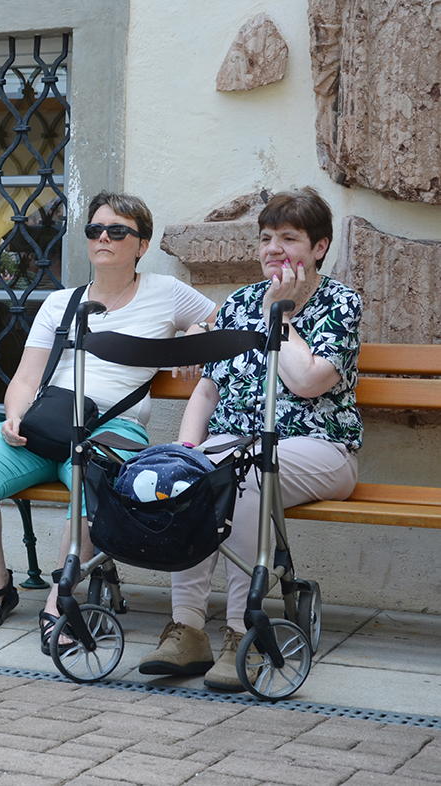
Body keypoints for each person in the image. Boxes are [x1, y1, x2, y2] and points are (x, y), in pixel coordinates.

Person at [0, 192, 217, 655]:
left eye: (117, 231)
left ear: (142, 245)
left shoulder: (166, 292)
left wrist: (197, 330)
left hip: (114, 428)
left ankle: (61, 600)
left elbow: (223, 318)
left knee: (90, 490)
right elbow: (26, 378)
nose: (103, 238)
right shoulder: (61, 303)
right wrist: (13, 416)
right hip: (49, 424)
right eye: (95, 230)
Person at [139, 187, 361, 691]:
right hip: (237, 447)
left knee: (243, 479)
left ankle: (244, 633)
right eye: (266, 238)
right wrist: (187, 452)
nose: (273, 248)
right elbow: (208, 390)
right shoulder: (238, 303)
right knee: (191, 481)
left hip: (322, 448)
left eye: (289, 238)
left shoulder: (341, 303)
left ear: (319, 247)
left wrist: (280, 315)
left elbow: (307, 381)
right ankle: (187, 629)